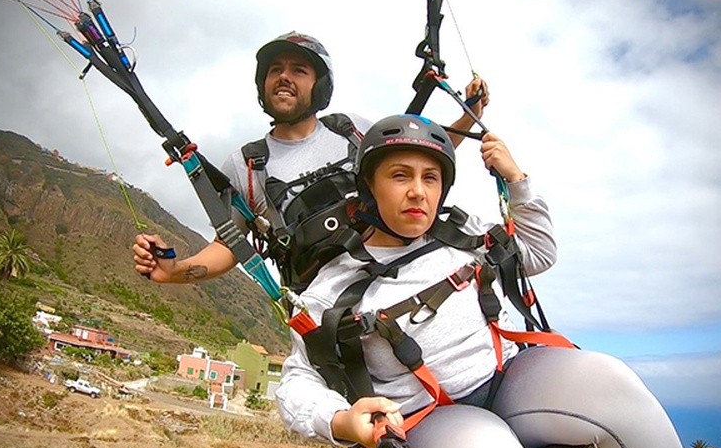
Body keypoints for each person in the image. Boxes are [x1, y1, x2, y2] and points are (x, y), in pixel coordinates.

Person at [275, 114, 716, 448]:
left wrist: (517, 181)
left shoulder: (462, 234)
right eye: (399, 175)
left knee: (610, 378)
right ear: (369, 186)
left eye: (431, 178)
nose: (418, 191)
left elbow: (538, 253)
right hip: (432, 422)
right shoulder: (330, 290)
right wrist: (341, 421)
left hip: (509, 383)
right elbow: (298, 380)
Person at [133, 32, 488, 285]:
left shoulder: (353, 130)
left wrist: (467, 115)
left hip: (407, 275)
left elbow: (416, 163)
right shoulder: (246, 164)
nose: (284, 77)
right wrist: (176, 269)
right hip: (334, 310)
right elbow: (230, 246)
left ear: (319, 86)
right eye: (276, 70)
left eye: (299, 70)